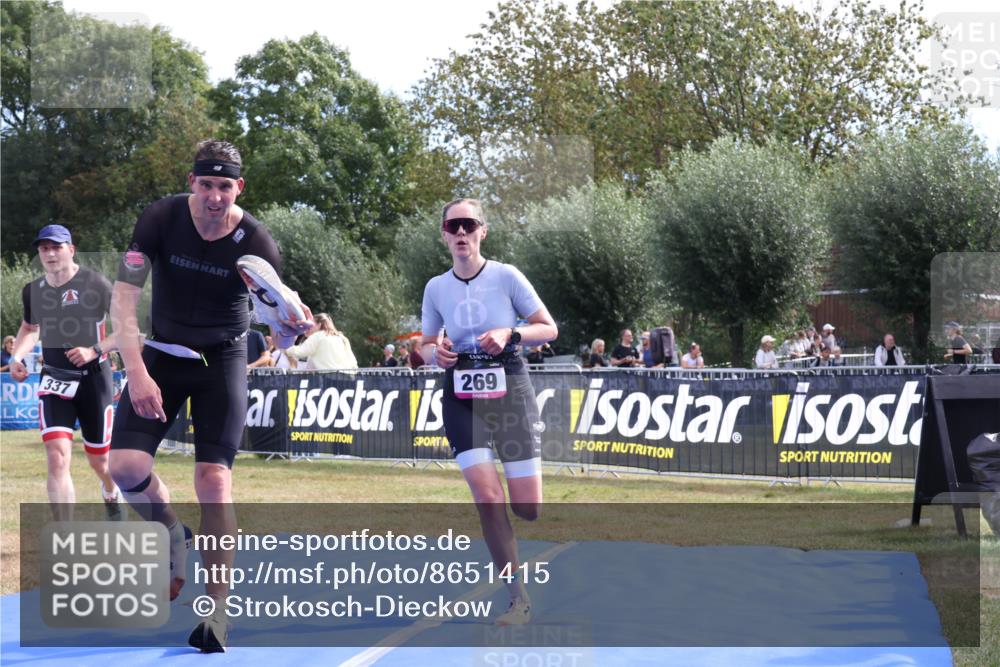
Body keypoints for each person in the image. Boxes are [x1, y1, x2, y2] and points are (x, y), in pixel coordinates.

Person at [108, 140, 312, 653]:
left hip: (222, 359)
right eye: (206, 185)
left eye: (225, 186)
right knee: (125, 470)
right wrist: (136, 373)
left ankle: (216, 612)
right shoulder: (159, 218)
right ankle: (173, 533)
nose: (215, 197)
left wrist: (293, 326)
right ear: (191, 182)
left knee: (214, 481)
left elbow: (279, 325)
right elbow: (123, 302)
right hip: (160, 354)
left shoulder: (257, 242)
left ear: (239, 187)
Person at [420, 198, 557, 626]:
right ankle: (518, 599)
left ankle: (525, 503)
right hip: (461, 395)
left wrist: (510, 333)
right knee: (487, 497)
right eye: (453, 226)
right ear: (444, 235)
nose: (461, 233)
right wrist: (435, 353)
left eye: (469, 225)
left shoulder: (506, 275)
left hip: (510, 389)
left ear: (483, 230)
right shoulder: (435, 287)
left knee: (528, 507)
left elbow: (548, 328)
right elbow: (425, 345)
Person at [7, 225, 123, 521]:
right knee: (57, 455)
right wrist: (17, 356)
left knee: (100, 461)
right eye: (44, 248)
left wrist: (94, 350)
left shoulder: (95, 283)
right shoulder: (33, 290)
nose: (49, 254)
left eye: (56, 247)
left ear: (71, 250)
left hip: (94, 380)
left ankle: (111, 491)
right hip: (54, 378)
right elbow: (30, 328)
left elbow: (126, 329)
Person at [286, 313, 357, 370]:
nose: (308, 328)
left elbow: (300, 351)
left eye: (311, 325)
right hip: (348, 377)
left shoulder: (318, 336)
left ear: (319, 325)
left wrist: (286, 349)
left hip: (330, 376)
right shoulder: (342, 338)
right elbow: (353, 361)